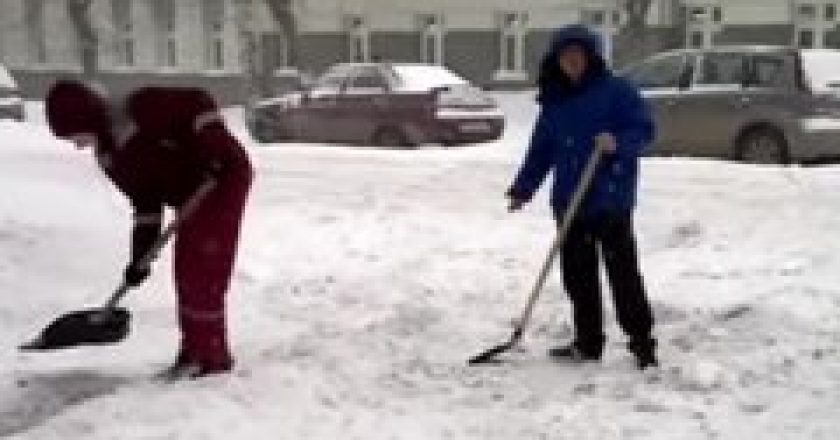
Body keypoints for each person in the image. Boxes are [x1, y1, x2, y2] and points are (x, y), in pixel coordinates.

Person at [45, 80, 254, 379]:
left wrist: (213, 143)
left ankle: (211, 357)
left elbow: (198, 101)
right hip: (190, 192)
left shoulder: (141, 107)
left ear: (88, 118)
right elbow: (145, 204)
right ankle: (194, 351)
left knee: (202, 269)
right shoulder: (111, 156)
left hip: (222, 177)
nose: (78, 145)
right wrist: (140, 256)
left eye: (77, 135)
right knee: (186, 270)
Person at [506, 25, 658, 369]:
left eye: (578, 54)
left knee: (623, 274)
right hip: (569, 201)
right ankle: (588, 343)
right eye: (565, 55)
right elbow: (541, 151)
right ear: (557, 60)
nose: (571, 61)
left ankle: (642, 344)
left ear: (590, 57)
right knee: (578, 276)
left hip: (609, 198)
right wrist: (523, 188)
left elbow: (644, 129)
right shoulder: (555, 101)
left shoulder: (617, 91)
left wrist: (618, 143)